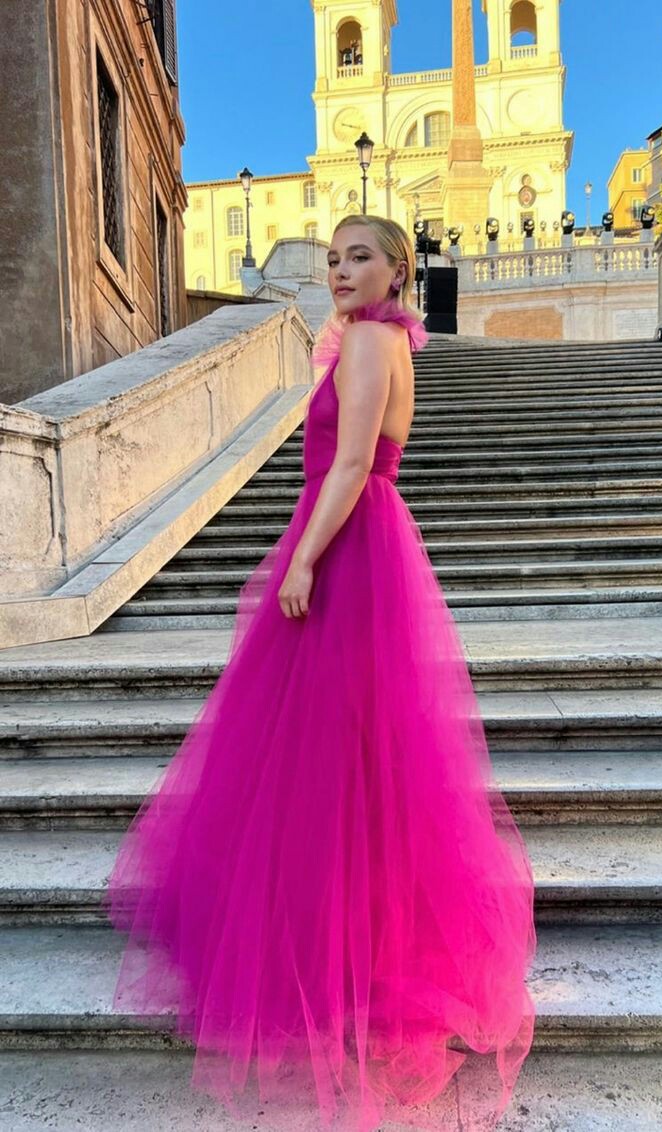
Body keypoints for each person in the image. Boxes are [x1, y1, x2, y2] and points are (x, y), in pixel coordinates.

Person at [102, 215, 537, 1132]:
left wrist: (301, 559)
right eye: (334, 258)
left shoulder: (377, 340)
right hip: (348, 539)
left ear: (398, 270)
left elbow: (350, 463)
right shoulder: (368, 338)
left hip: (347, 545)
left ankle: (348, 956)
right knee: (328, 745)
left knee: (334, 742)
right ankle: (334, 941)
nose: (341, 271)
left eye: (361, 257)